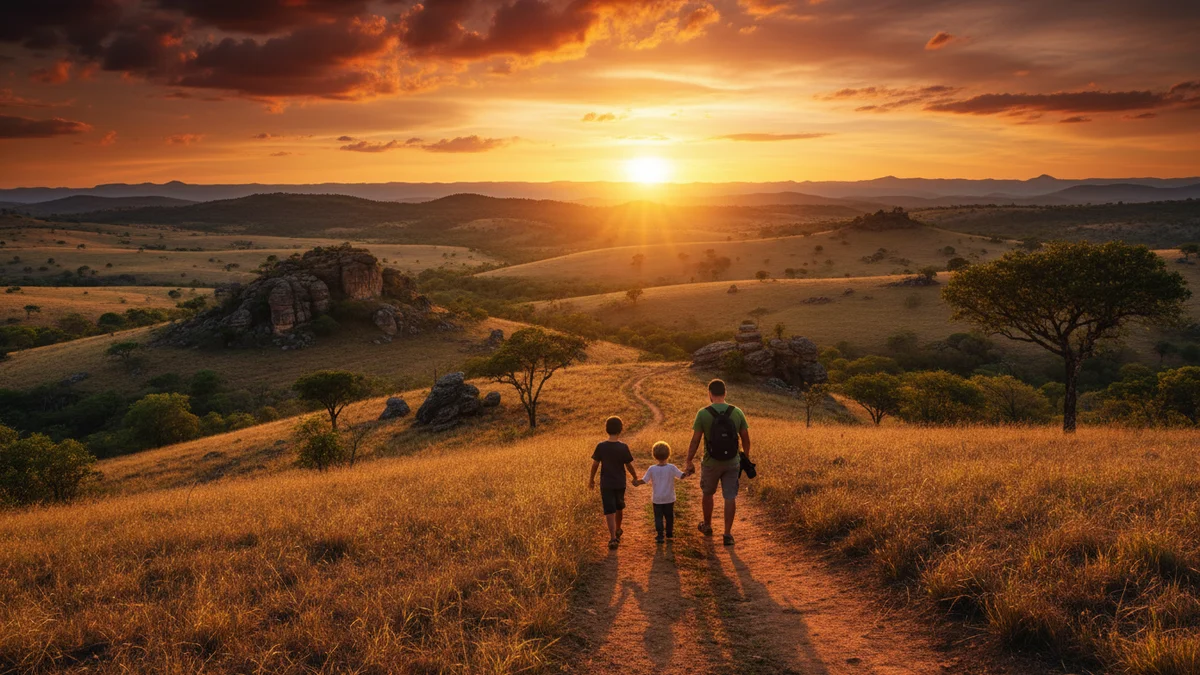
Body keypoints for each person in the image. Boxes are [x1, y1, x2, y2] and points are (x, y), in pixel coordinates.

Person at [685, 379, 751, 546]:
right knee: (730, 496)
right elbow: (745, 439)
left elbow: (695, 440)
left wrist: (689, 460)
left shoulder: (703, 413)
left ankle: (707, 526)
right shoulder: (737, 412)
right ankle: (727, 534)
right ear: (725, 393)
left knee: (708, 494)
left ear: (710, 393)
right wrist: (745, 457)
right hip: (732, 462)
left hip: (710, 462)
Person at [589, 416, 641, 549]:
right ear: (620, 430)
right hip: (620, 483)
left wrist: (591, 480)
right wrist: (635, 476)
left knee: (609, 510)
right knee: (619, 507)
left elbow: (595, 465)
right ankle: (618, 529)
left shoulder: (601, 446)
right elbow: (628, 465)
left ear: (606, 429)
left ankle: (612, 538)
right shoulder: (623, 447)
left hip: (606, 483)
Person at [640, 441, 688, 543]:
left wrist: (636, 482)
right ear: (668, 454)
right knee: (669, 516)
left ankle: (660, 535)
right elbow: (681, 476)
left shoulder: (652, 469)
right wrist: (689, 472)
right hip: (669, 498)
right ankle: (669, 534)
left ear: (654, 455)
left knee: (658, 517)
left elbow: (644, 480)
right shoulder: (671, 467)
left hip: (657, 499)